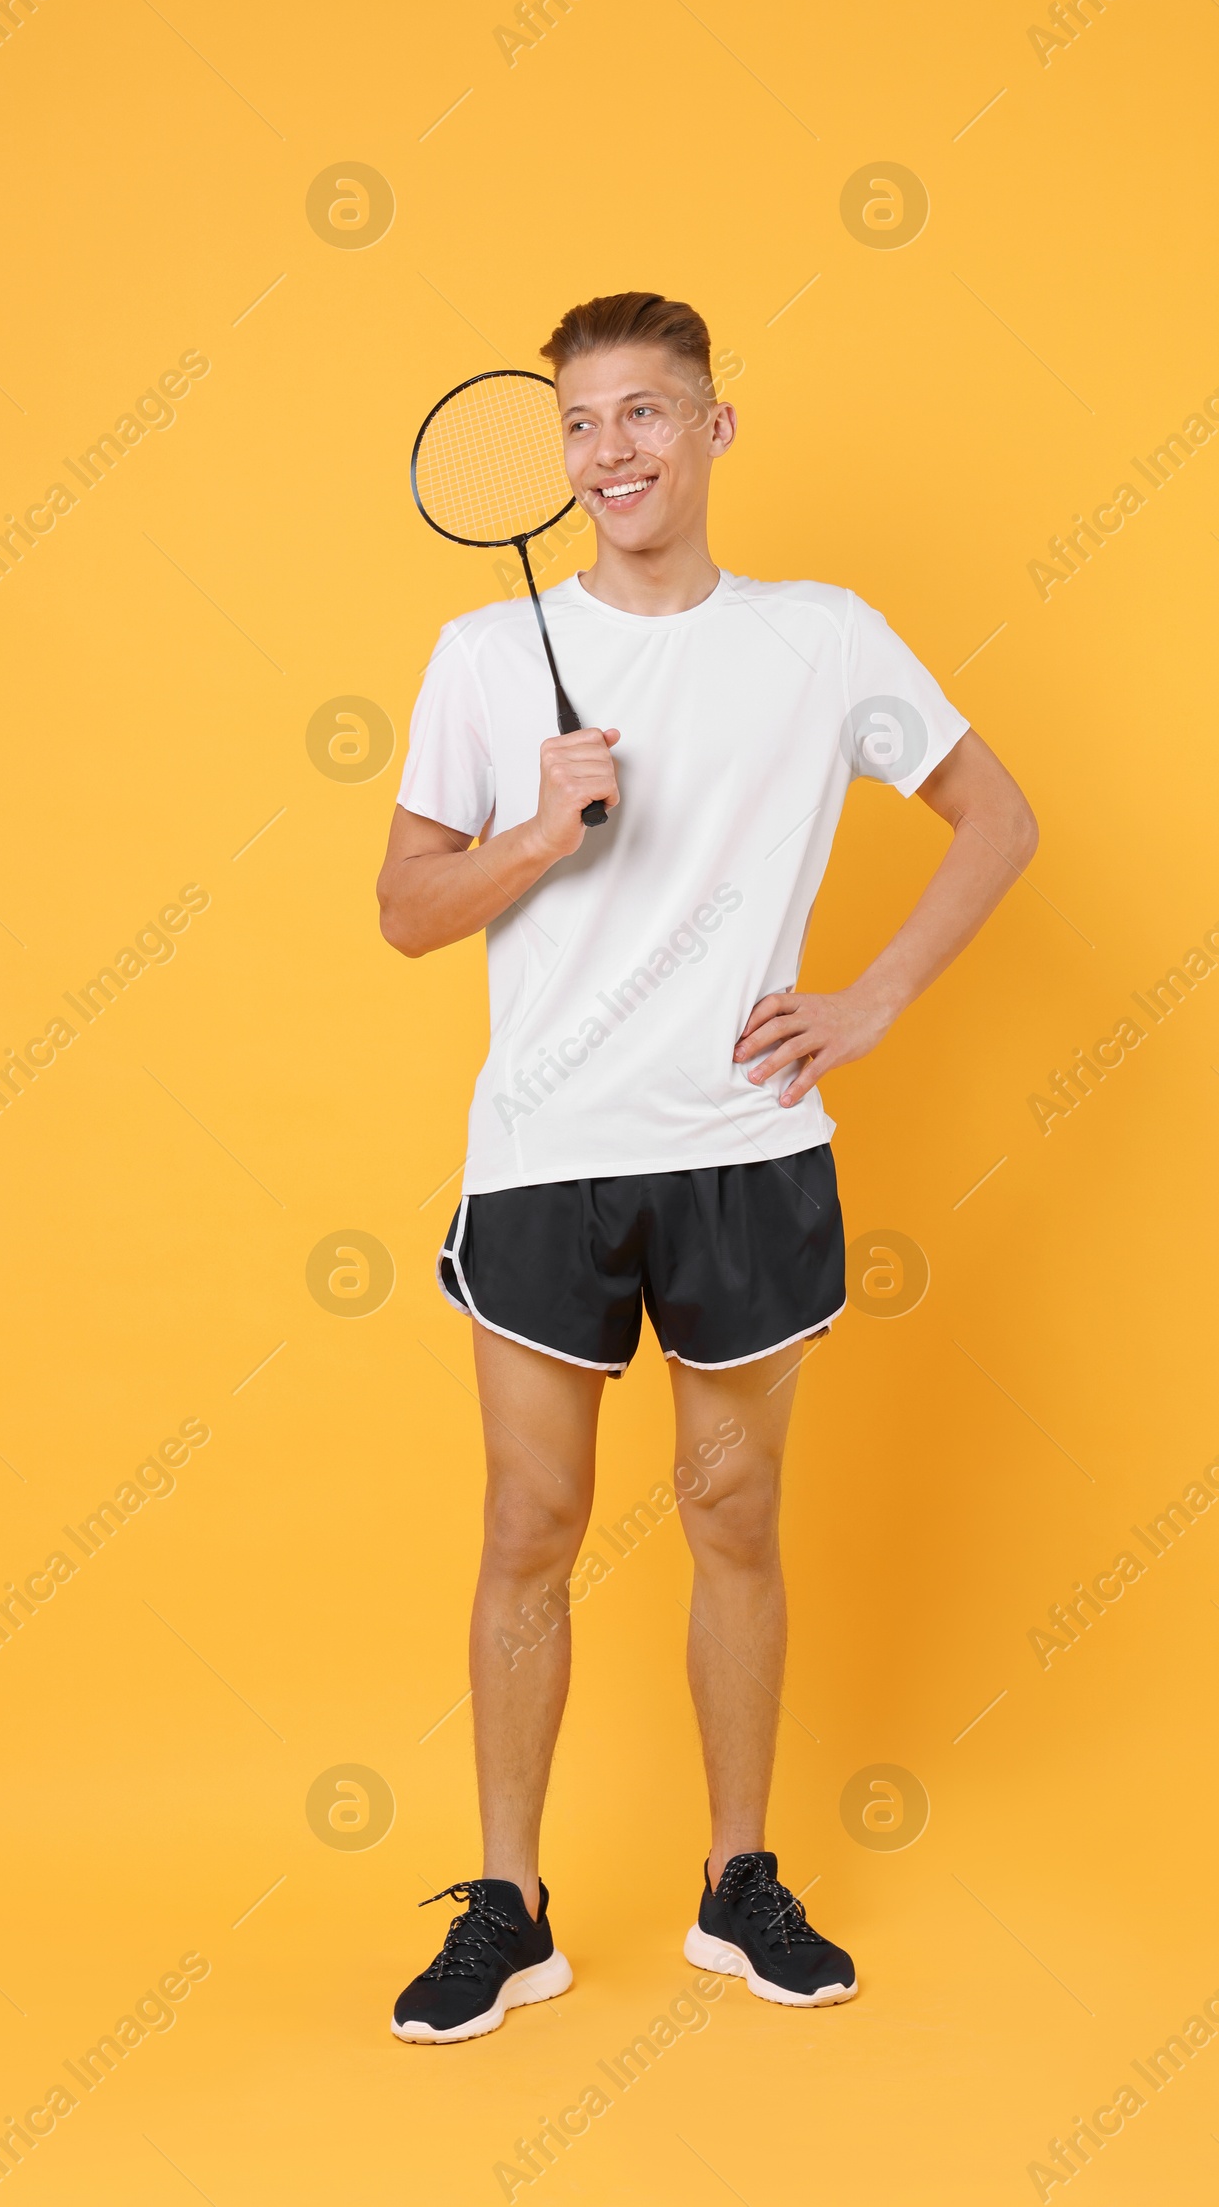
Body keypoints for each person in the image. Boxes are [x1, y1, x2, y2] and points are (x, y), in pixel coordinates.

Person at [378, 290, 1038, 2043]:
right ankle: (508, 1909)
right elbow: (401, 915)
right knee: (532, 1524)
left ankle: (738, 1885)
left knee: (736, 1516)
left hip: (748, 1152)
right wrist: (538, 827)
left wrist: (876, 997)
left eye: (647, 415)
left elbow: (999, 817)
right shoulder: (481, 654)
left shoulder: (822, 640)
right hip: (545, 1161)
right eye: (584, 424)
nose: (613, 453)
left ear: (714, 430)